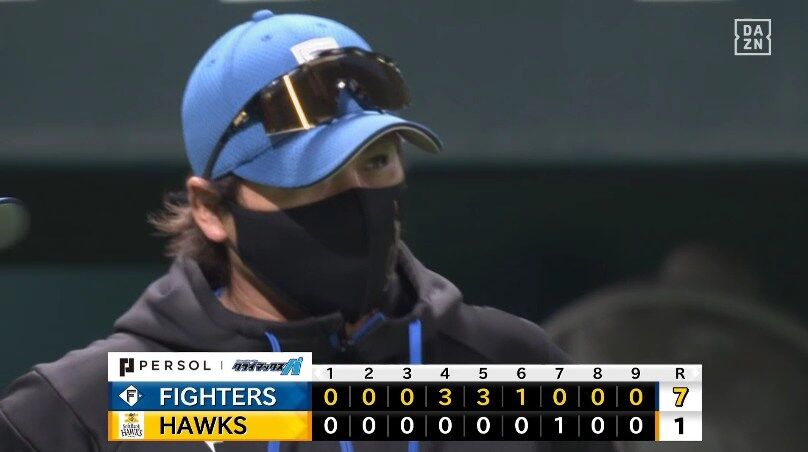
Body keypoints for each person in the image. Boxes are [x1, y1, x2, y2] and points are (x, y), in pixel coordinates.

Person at [0, 10, 615, 452]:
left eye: (377, 162)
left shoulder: (514, 370)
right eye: (311, 177)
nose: (356, 200)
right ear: (211, 210)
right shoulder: (85, 410)